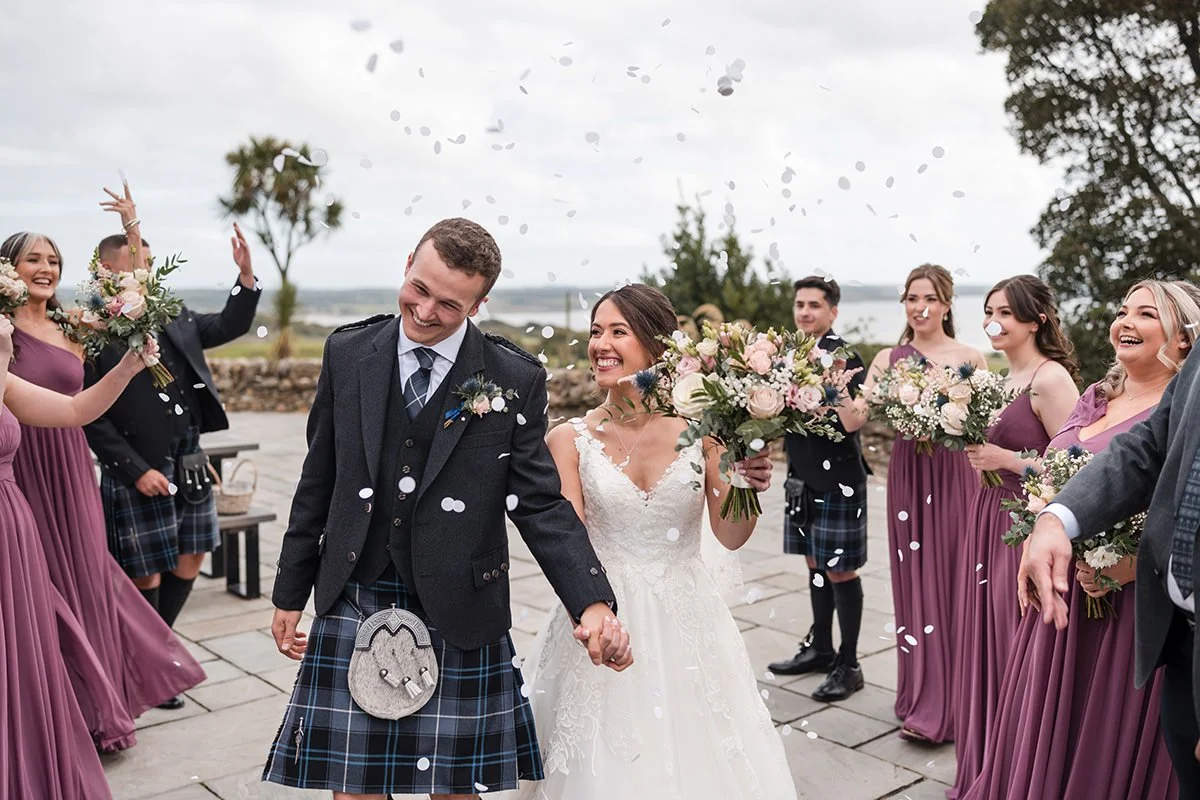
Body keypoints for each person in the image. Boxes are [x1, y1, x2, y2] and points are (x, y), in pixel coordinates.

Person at [262, 218, 631, 800]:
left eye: (450, 304)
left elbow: (537, 502)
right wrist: (290, 592)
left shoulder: (514, 377)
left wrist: (591, 599)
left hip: (463, 601)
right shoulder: (349, 353)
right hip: (356, 587)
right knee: (354, 785)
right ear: (409, 261)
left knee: (458, 786)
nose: (426, 310)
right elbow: (319, 479)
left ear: (480, 304)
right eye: (419, 288)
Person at [512, 283, 797, 800]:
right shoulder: (566, 439)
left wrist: (746, 484)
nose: (601, 343)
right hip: (601, 610)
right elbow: (568, 544)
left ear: (657, 346)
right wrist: (592, 615)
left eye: (618, 331)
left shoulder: (706, 432)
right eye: (597, 331)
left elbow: (731, 537)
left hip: (688, 616)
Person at [963, 280, 1198, 799]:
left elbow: (1182, 505)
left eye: (1146, 313)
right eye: (1122, 311)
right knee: (1044, 718)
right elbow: (1055, 467)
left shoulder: (1181, 409)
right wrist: (1047, 517)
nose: (1125, 322)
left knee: (1103, 735)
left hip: (1130, 609)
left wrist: (1128, 564)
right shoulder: (1096, 396)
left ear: (1185, 337)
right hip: (1063, 593)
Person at [6, 219, 205, 749]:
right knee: (35, 586)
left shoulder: (73, 326)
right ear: (9, 270)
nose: (46, 268)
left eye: (52, 260)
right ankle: (52, 710)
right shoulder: (0, 332)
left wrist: (132, 228)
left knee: (86, 575)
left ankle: (98, 708)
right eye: (33, 260)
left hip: (69, 464)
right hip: (19, 466)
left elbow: (136, 299)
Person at [83, 186, 260, 712]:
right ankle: (147, 668)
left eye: (152, 261)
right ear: (106, 268)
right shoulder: (96, 327)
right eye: (138, 259)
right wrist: (135, 471)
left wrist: (245, 277)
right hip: (137, 464)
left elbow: (229, 325)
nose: (148, 268)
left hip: (189, 455)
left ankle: (151, 659)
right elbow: (90, 416)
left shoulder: (173, 313)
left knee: (192, 556)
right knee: (147, 571)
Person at [0, 311, 149, 797]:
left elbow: (72, 411)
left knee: (19, 655)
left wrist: (128, 365)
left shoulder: (2, 374)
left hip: (11, 526)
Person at [946, 275, 1080, 797]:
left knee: (1011, 635)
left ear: (1036, 318)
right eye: (988, 310)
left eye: (1004, 311)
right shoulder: (1001, 378)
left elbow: (1076, 466)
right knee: (983, 632)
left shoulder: (1051, 380)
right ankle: (985, 760)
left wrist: (1008, 461)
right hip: (986, 518)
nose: (992, 320)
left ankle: (1014, 768)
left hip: (1024, 527)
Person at [859, 264, 986, 743]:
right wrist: (818, 393)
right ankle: (919, 695)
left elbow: (982, 428)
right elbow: (857, 415)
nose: (919, 306)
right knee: (914, 583)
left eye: (929, 298)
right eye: (912, 298)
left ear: (948, 304)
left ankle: (957, 701)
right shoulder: (889, 358)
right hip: (910, 476)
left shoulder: (970, 357)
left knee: (956, 583)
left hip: (955, 478)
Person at [768, 276, 871, 702]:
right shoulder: (784, 355)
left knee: (839, 570)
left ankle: (849, 665)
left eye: (814, 305)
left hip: (840, 479)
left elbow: (853, 422)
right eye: (799, 304)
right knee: (814, 564)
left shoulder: (846, 357)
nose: (805, 312)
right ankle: (821, 648)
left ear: (832, 312)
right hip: (802, 476)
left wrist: (836, 380)